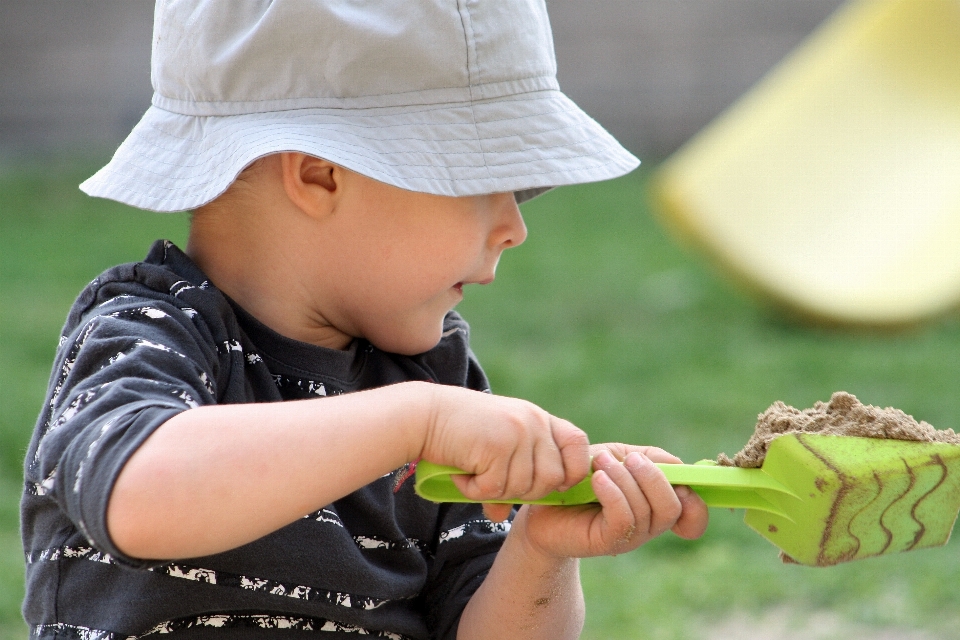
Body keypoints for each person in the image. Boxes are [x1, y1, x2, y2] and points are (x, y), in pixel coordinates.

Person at [21, 1, 708, 639]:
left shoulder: (436, 381)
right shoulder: (147, 331)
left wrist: (539, 548)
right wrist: (412, 422)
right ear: (321, 173)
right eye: (484, 180)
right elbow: (140, 498)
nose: (515, 227)